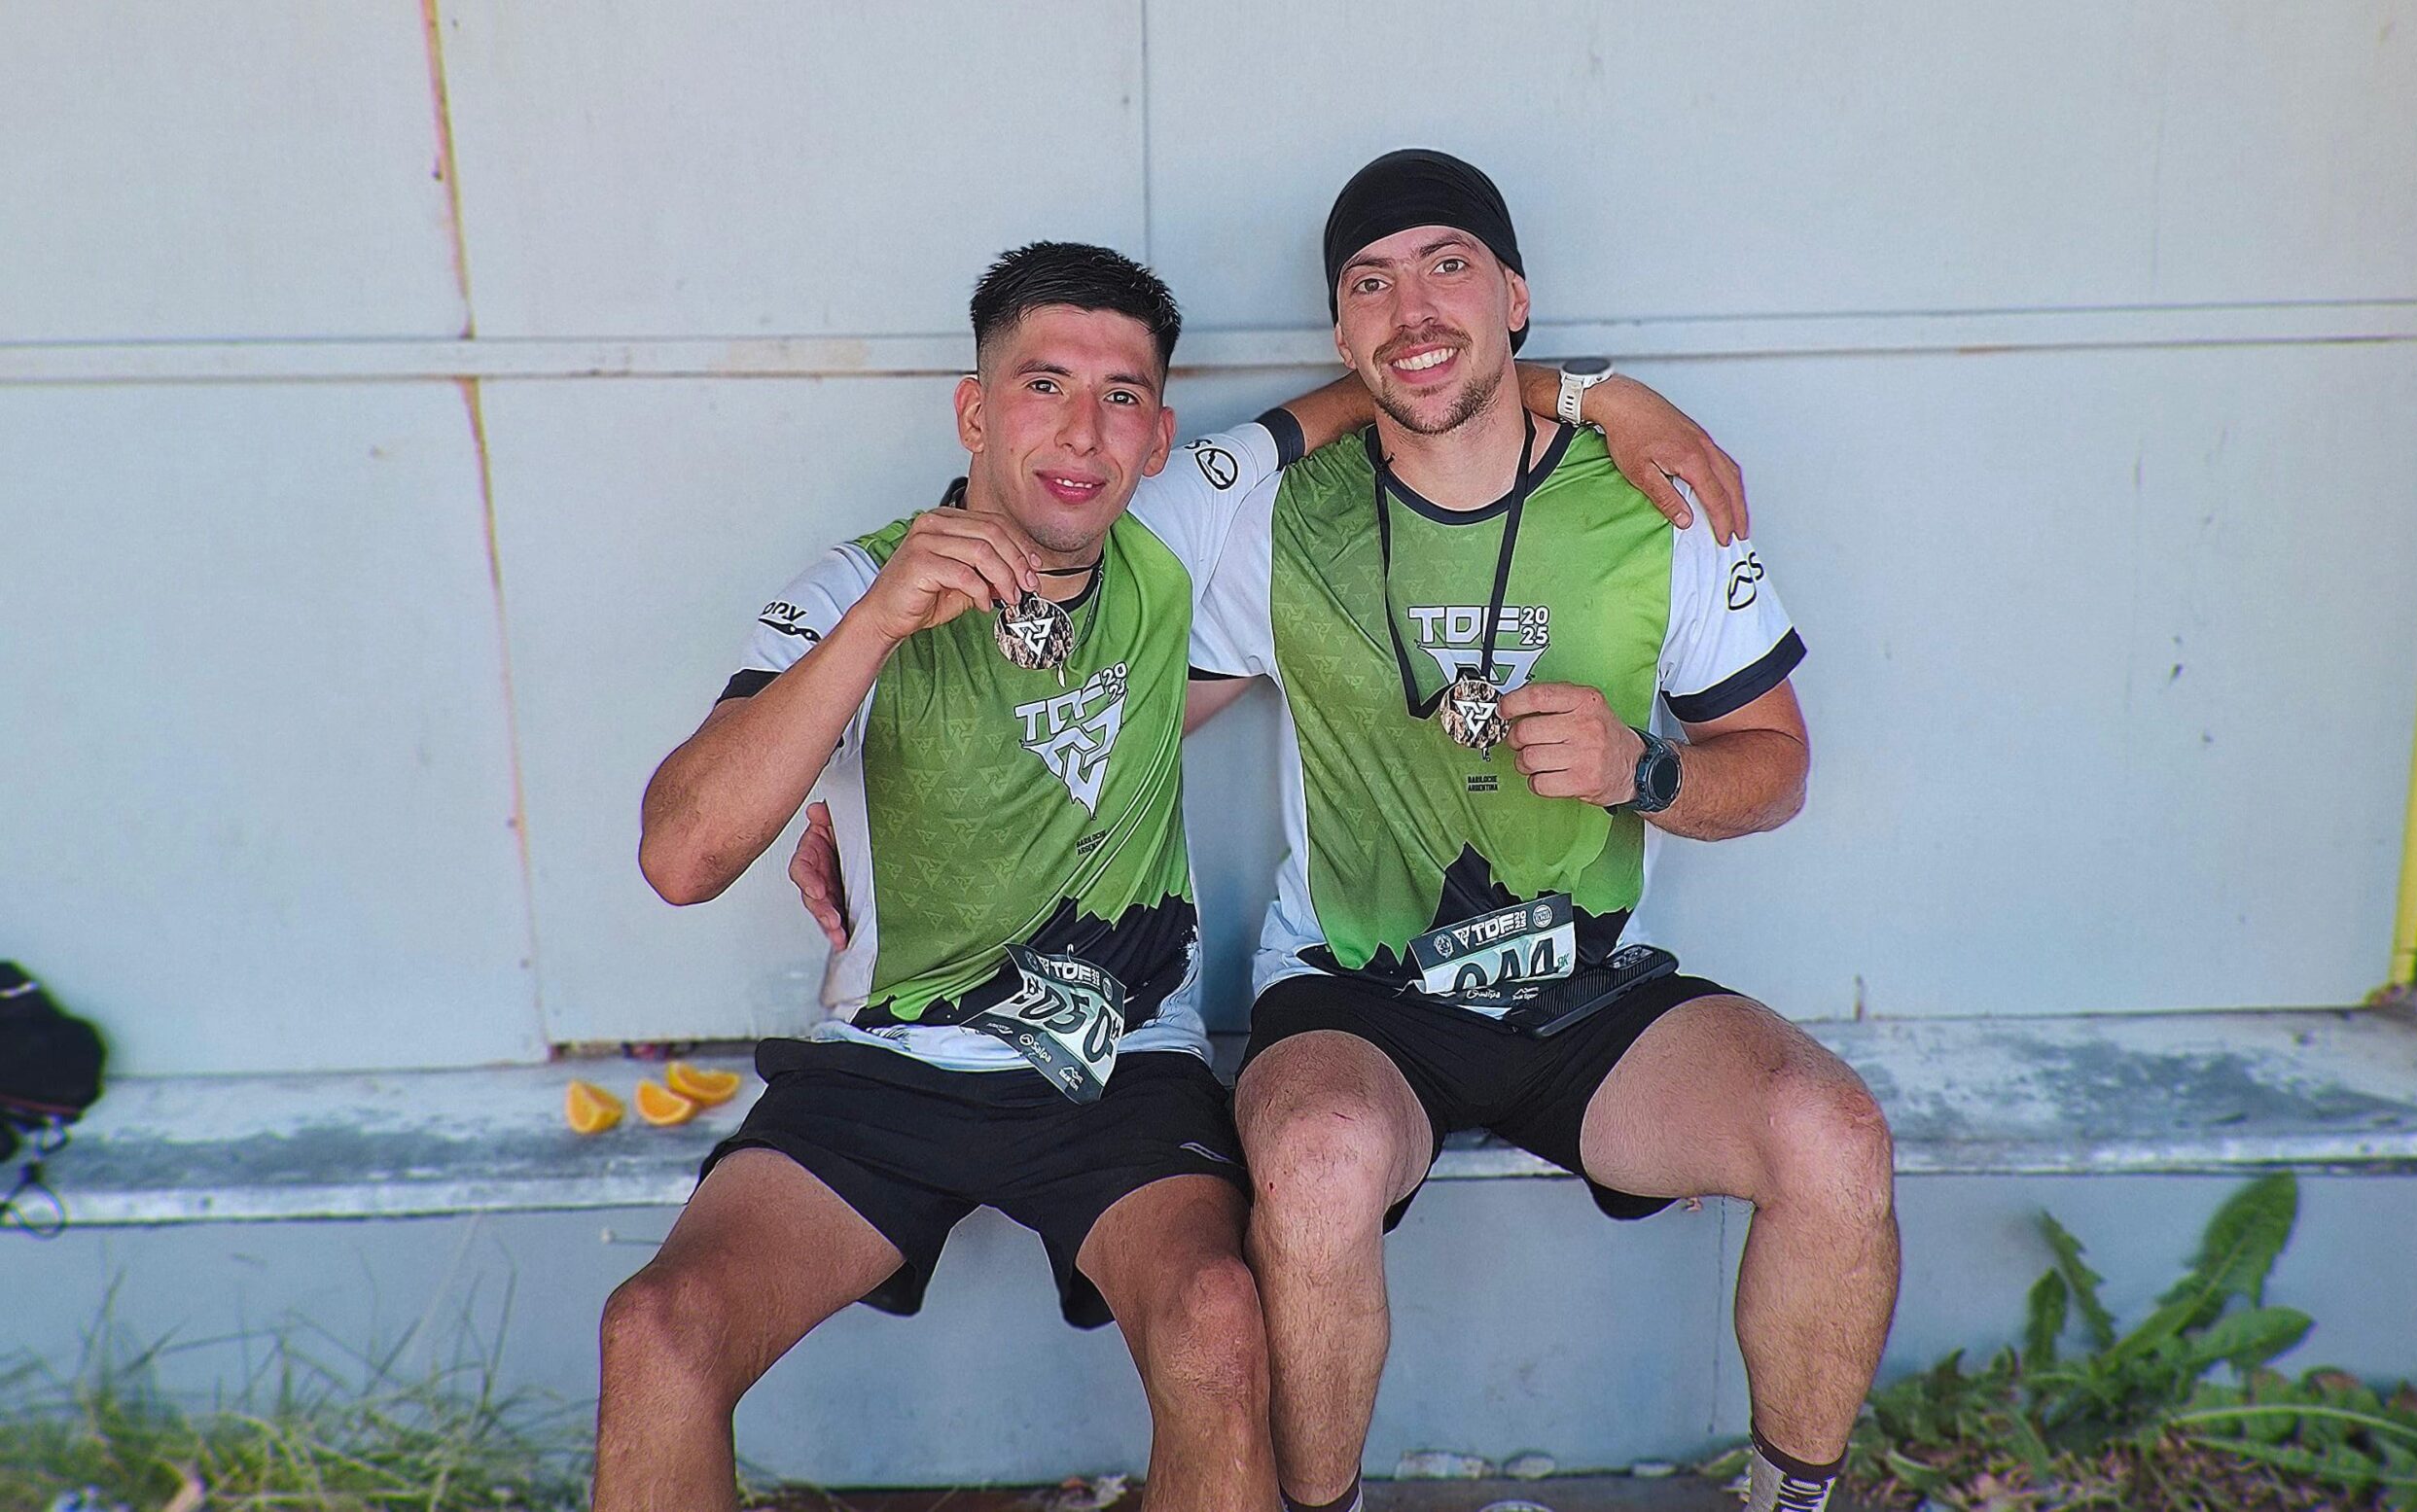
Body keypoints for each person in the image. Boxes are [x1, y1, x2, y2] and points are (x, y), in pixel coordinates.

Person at [618, 238, 1738, 1512]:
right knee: (655, 1331)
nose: (1080, 430)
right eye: (1042, 385)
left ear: (1158, 438)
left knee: (1217, 1322)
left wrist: (1600, 399)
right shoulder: (854, 581)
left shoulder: (1180, 522)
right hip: (889, 1060)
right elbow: (682, 857)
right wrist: (871, 637)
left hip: (1118, 1066)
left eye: (1122, 396)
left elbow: (1407, 381)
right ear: (975, 411)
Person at [1190, 151, 1899, 1512]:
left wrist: (1646, 773)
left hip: (1586, 995)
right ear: (1338, 334)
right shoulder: (1278, 518)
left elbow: (1778, 767)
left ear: (1517, 298)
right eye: (1370, 284)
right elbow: (1126, 714)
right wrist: (866, 815)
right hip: (1359, 996)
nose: (1413, 309)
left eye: (1448, 266)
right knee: (1317, 1159)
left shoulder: (1652, 499)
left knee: (1833, 1134)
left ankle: (1790, 1501)